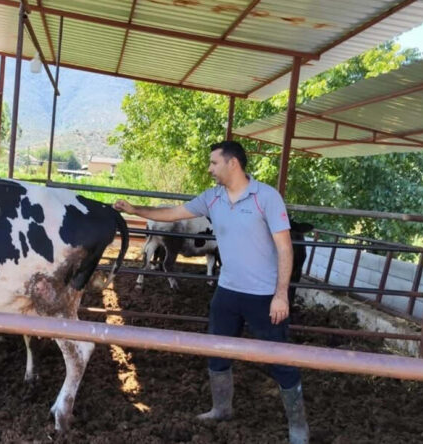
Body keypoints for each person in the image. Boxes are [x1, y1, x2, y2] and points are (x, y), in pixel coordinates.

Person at [113, 141, 309, 444]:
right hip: (227, 292)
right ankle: (221, 408)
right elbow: (173, 213)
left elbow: (285, 247)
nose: (209, 168)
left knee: (279, 358)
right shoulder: (212, 198)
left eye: (213, 163)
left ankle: (298, 427)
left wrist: (281, 294)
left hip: (263, 295)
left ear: (233, 164)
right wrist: (135, 209)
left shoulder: (267, 197)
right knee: (216, 351)